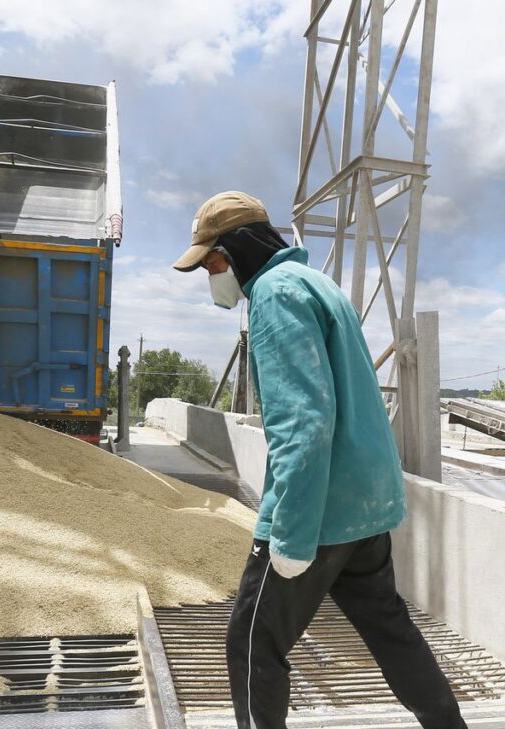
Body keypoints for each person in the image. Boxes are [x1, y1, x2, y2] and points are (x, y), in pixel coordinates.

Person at [171, 191, 467, 729]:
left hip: (319, 511)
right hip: (366, 504)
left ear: (238, 249)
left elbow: (303, 425)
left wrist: (289, 537)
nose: (211, 275)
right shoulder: (318, 283)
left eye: (212, 262)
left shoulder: (275, 296)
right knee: (391, 631)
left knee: (253, 645)